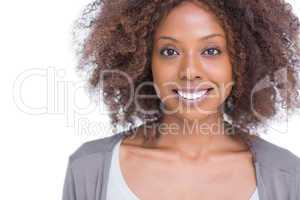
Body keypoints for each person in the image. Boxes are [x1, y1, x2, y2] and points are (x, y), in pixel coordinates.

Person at [63, 0, 300, 199]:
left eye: (211, 51)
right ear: (145, 62)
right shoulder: (90, 169)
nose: (189, 71)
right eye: (170, 51)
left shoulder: (286, 176)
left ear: (241, 61)